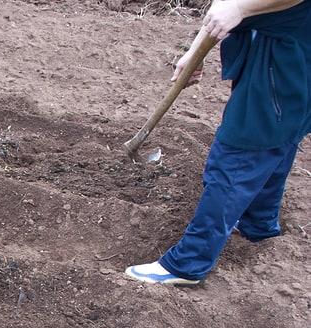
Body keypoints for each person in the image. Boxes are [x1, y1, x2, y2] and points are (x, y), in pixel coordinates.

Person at [126, 0, 310, 285]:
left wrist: (240, 10)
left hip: (286, 62)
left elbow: (235, 5)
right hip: (282, 58)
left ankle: (188, 263)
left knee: (235, 159)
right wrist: (197, 50)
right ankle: (258, 224)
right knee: (274, 142)